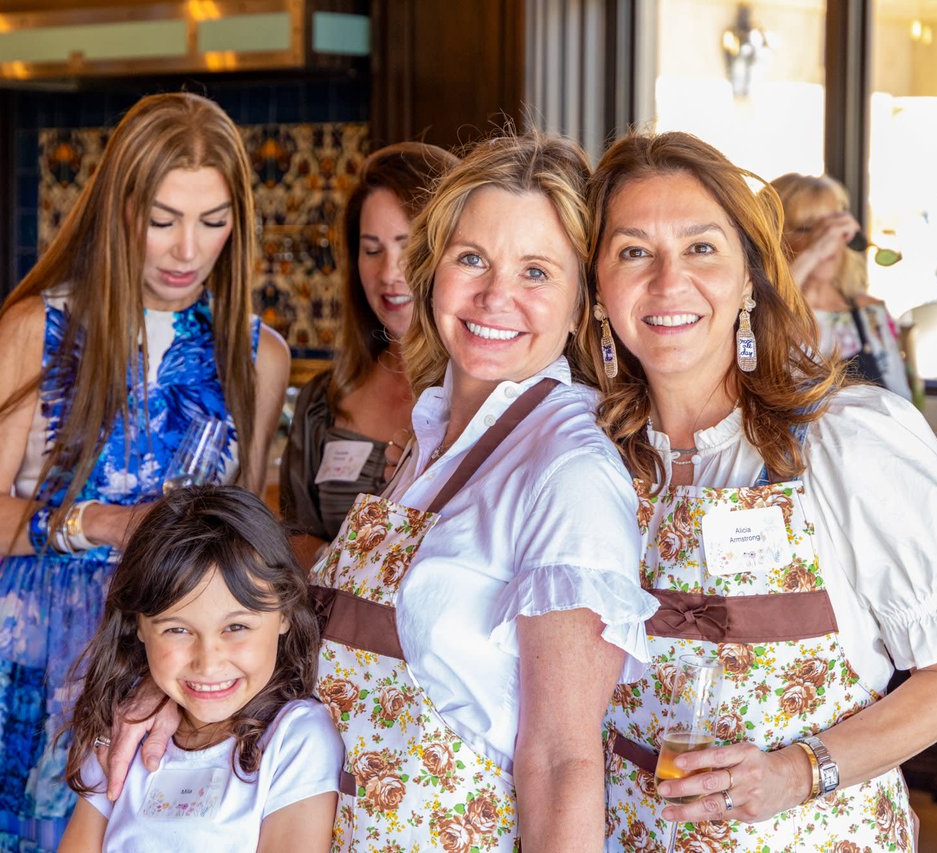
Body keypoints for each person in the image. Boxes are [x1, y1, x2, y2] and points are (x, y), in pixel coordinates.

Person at [105, 132, 659, 851]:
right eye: (472, 259)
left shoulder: (567, 470)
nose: (496, 295)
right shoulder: (431, 438)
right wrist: (182, 691)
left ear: (582, 300)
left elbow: (563, 761)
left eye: (536, 271)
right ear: (432, 272)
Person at [589, 133, 937, 851]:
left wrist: (797, 772)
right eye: (632, 251)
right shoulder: (587, 459)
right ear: (597, 289)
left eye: (701, 248)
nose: (668, 280)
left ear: (749, 277)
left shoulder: (842, 442)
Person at [0, 93, 290, 851]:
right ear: (117, 208)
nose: (186, 250)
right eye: (162, 219)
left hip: (173, 672)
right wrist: (101, 522)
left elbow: (247, 552)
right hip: (38, 653)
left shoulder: (259, 355)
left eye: (212, 220)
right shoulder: (38, 326)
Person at [58, 485, 341, 852]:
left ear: (285, 613)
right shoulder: (126, 733)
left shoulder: (296, 738)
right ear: (139, 626)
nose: (208, 662)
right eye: (177, 630)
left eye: (236, 627)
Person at [280, 142, 457, 569]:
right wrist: (343, 568)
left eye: (409, 246)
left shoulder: (488, 400)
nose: (390, 273)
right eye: (372, 250)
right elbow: (285, 538)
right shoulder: (323, 400)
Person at [770, 172, 913, 400]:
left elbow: (901, 401)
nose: (825, 242)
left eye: (831, 229)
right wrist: (813, 254)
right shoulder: (758, 313)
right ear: (773, 239)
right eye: (805, 228)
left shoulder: (869, 312)